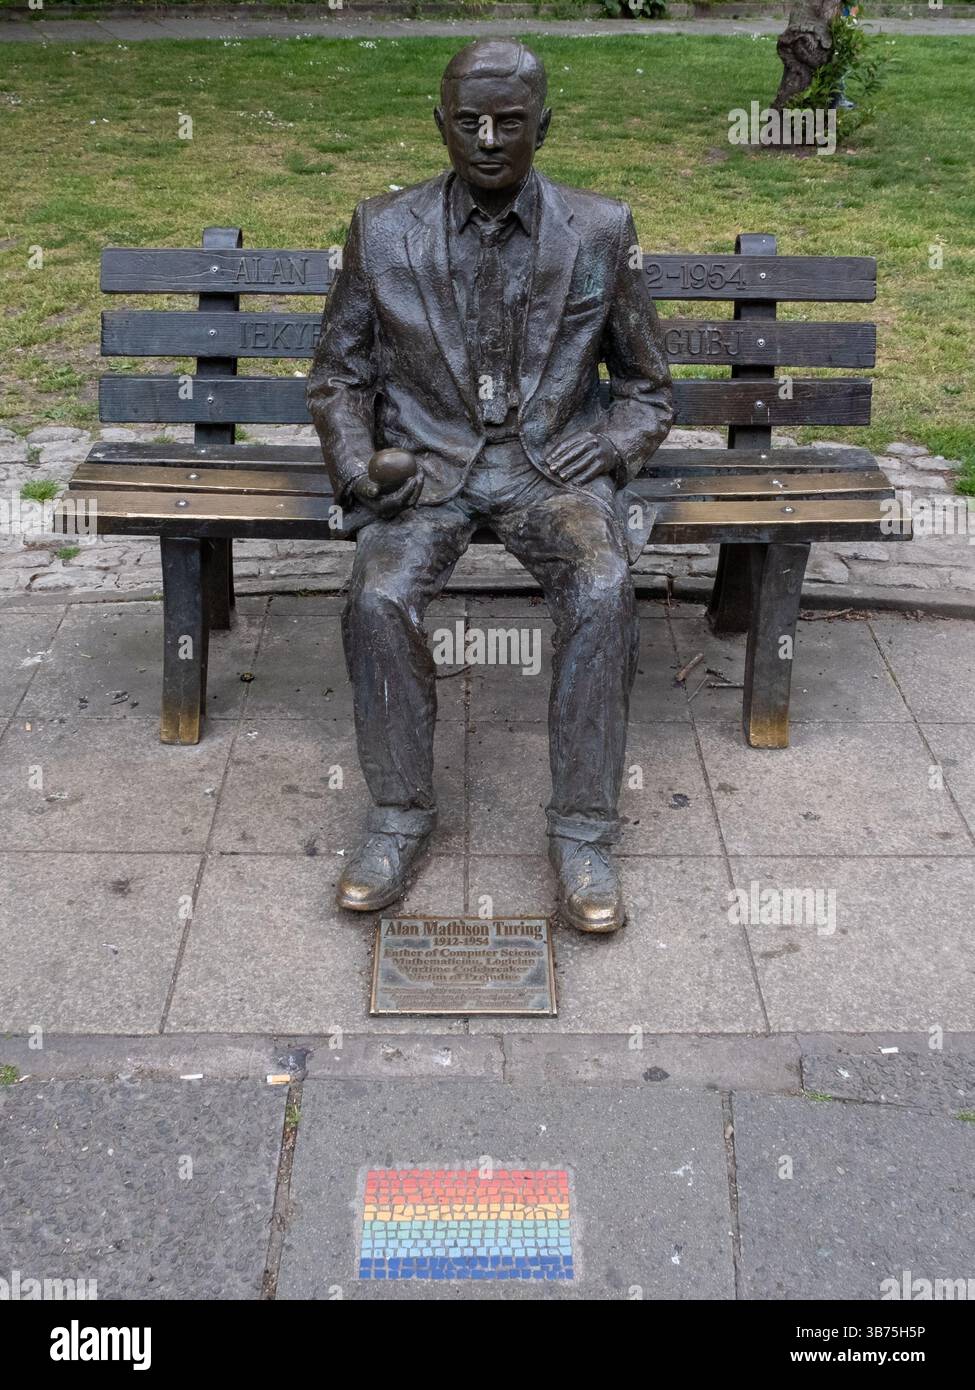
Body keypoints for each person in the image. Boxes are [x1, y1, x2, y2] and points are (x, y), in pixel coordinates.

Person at [307, 39, 673, 933]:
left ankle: (583, 830)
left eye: (509, 122)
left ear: (541, 127)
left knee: (603, 583)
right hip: (426, 470)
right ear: (439, 123)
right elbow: (337, 378)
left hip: (548, 468)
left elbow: (647, 387)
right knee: (377, 595)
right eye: (467, 120)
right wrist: (359, 468)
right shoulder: (382, 227)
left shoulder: (600, 229)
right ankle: (397, 815)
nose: (485, 139)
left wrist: (616, 447)